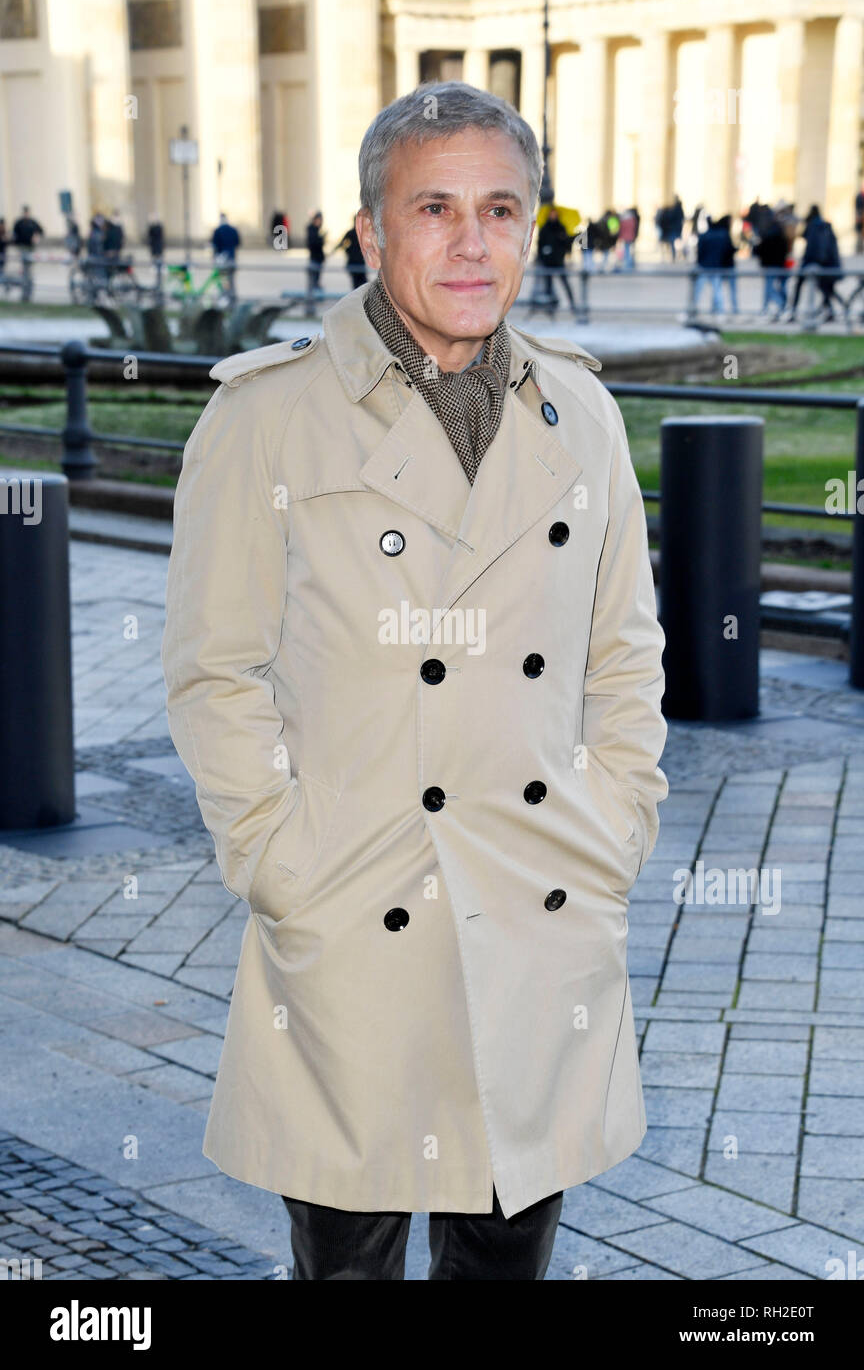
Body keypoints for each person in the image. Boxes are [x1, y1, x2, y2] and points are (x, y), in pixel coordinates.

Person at [162, 79, 668, 1283]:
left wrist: (616, 832)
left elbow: (624, 652)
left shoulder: (581, 413)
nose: (471, 240)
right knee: (345, 1265)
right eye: (433, 207)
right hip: (354, 919)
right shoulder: (269, 417)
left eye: (501, 208)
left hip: (538, 913)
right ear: (371, 232)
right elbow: (213, 669)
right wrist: (279, 859)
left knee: (507, 1265)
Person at [785, 205, 843, 323]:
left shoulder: (814, 227)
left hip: (812, 263)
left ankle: (793, 311)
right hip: (826, 263)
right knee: (826, 289)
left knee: (804, 286)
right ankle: (833, 310)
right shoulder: (825, 227)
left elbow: (811, 247)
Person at [535, 205, 577, 309]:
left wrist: (568, 239)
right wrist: (541, 256)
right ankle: (550, 307)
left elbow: (566, 243)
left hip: (558, 260)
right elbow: (540, 244)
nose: (553, 216)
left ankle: (572, 304)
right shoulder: (544, 228)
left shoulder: (561, 227)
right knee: (548, 285)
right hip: (548, 260)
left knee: (565, 282)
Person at [695, 213, 738, 315]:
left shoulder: (706, 235)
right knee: (717, 290)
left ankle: (695, 308)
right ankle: (720, 310)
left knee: (700, 290)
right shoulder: (722, 235)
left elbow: (700, 251)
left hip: (706, 265)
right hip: (715, 265)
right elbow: (726, 250)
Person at [752, 212, 789, 318]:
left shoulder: (767, 236)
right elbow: (785, 251)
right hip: (778, 265)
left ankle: (780, 305)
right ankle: (766, 307)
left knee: (769, 288)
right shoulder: (781, 236)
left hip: (769, 265)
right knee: (772, 287)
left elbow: (759, 250)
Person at [212, 212, 241, 301]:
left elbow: (215, 245)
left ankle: (224, 297)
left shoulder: (218, 231)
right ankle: (232, 298)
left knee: (223, 280)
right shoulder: (233, 230)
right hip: (231, 258)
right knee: (231, 280)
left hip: (222, 259)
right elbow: (237, 242)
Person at [335, 223, 367, 289]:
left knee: (357, 285)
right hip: (358, 262)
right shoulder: (362, 233)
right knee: (362, 285)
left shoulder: (352, 233)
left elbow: (341, 244)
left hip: (354, 262)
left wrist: (346, 250)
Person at [305, 210, 326, 308]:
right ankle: (310, 305)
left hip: (318, 260)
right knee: (313, 282)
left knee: (316, 281)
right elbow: (313, 244)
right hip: (314, 260)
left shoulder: (316, 230)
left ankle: (314, 301)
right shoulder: (312, 230)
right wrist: (321, 239)